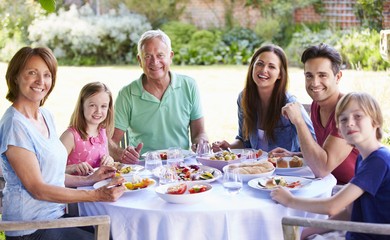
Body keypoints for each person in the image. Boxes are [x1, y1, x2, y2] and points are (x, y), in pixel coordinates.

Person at [0, 46, 126, 240]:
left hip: (55, 219)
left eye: (47, 74)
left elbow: (51, 176)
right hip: (31, 231)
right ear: (15, 76)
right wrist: (95, 194)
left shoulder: (45, 115)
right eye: (32, 73)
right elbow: (38, 188)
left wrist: (89, 179)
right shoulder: (15, 125)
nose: (41, 81)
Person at [271, 92, 390, 240]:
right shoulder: (364, 159)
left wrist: (290, 200)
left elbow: (332, 207)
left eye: (358, 116)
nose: (350, 123)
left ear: (375, 122)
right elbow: (349, 212)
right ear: (339, 129)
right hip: (356, 237)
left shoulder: (379, 161)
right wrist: (307, 232)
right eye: (343, 119)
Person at [110, 29, 208, 164]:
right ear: (139, 60)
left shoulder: (189, 86)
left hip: (181, 166)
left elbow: (199, 133)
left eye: (160, 55)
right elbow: (109, 142)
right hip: (143, 171)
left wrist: (201, 142)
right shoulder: (127, 94)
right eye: (147, 56)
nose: (154, 62)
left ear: (170, 56)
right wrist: (122, 154)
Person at [270, 43, 359, 185]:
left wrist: (299, 120)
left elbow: (322, 168)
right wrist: (295, 155)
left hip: (364, 193)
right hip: (335, 185)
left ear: (338, 77)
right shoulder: (317, 105)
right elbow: (324, 153)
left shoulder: (349, 111)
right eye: (309, 76)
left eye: (322, 75)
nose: (314, 83)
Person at [212, 44, 316, 153]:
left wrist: (291, 155)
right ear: (252, 66)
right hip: (256, 168)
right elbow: (244, 141)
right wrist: (228, 146)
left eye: (271, 66)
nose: (264, 70)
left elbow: (313, 144)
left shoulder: (289, 103)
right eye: (260, 64)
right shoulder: (244, 97)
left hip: (286, 168)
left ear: (280, 74)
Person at [60, 82, 115, 176]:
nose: (98, 111)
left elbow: (105, 158)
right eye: (92, 105)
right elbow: (51, 170)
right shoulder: (70, 136)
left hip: (99, 188)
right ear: (82, 106)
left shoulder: (102, 132)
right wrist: (72, 168)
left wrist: (110, 160)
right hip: (75, 189)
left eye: (103, 106)